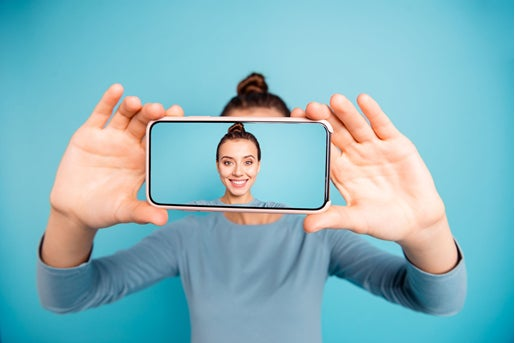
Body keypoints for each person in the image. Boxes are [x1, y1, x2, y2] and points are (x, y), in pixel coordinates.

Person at [37, 73, 466, 343]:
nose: (237, 170)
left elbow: (435, 302)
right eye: (228, 159)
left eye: (248, 160)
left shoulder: (319, 230)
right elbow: (69, 297)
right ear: (219, 162)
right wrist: (70, 220)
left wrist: (427, 231)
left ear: (259, 164)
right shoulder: (185, 234)